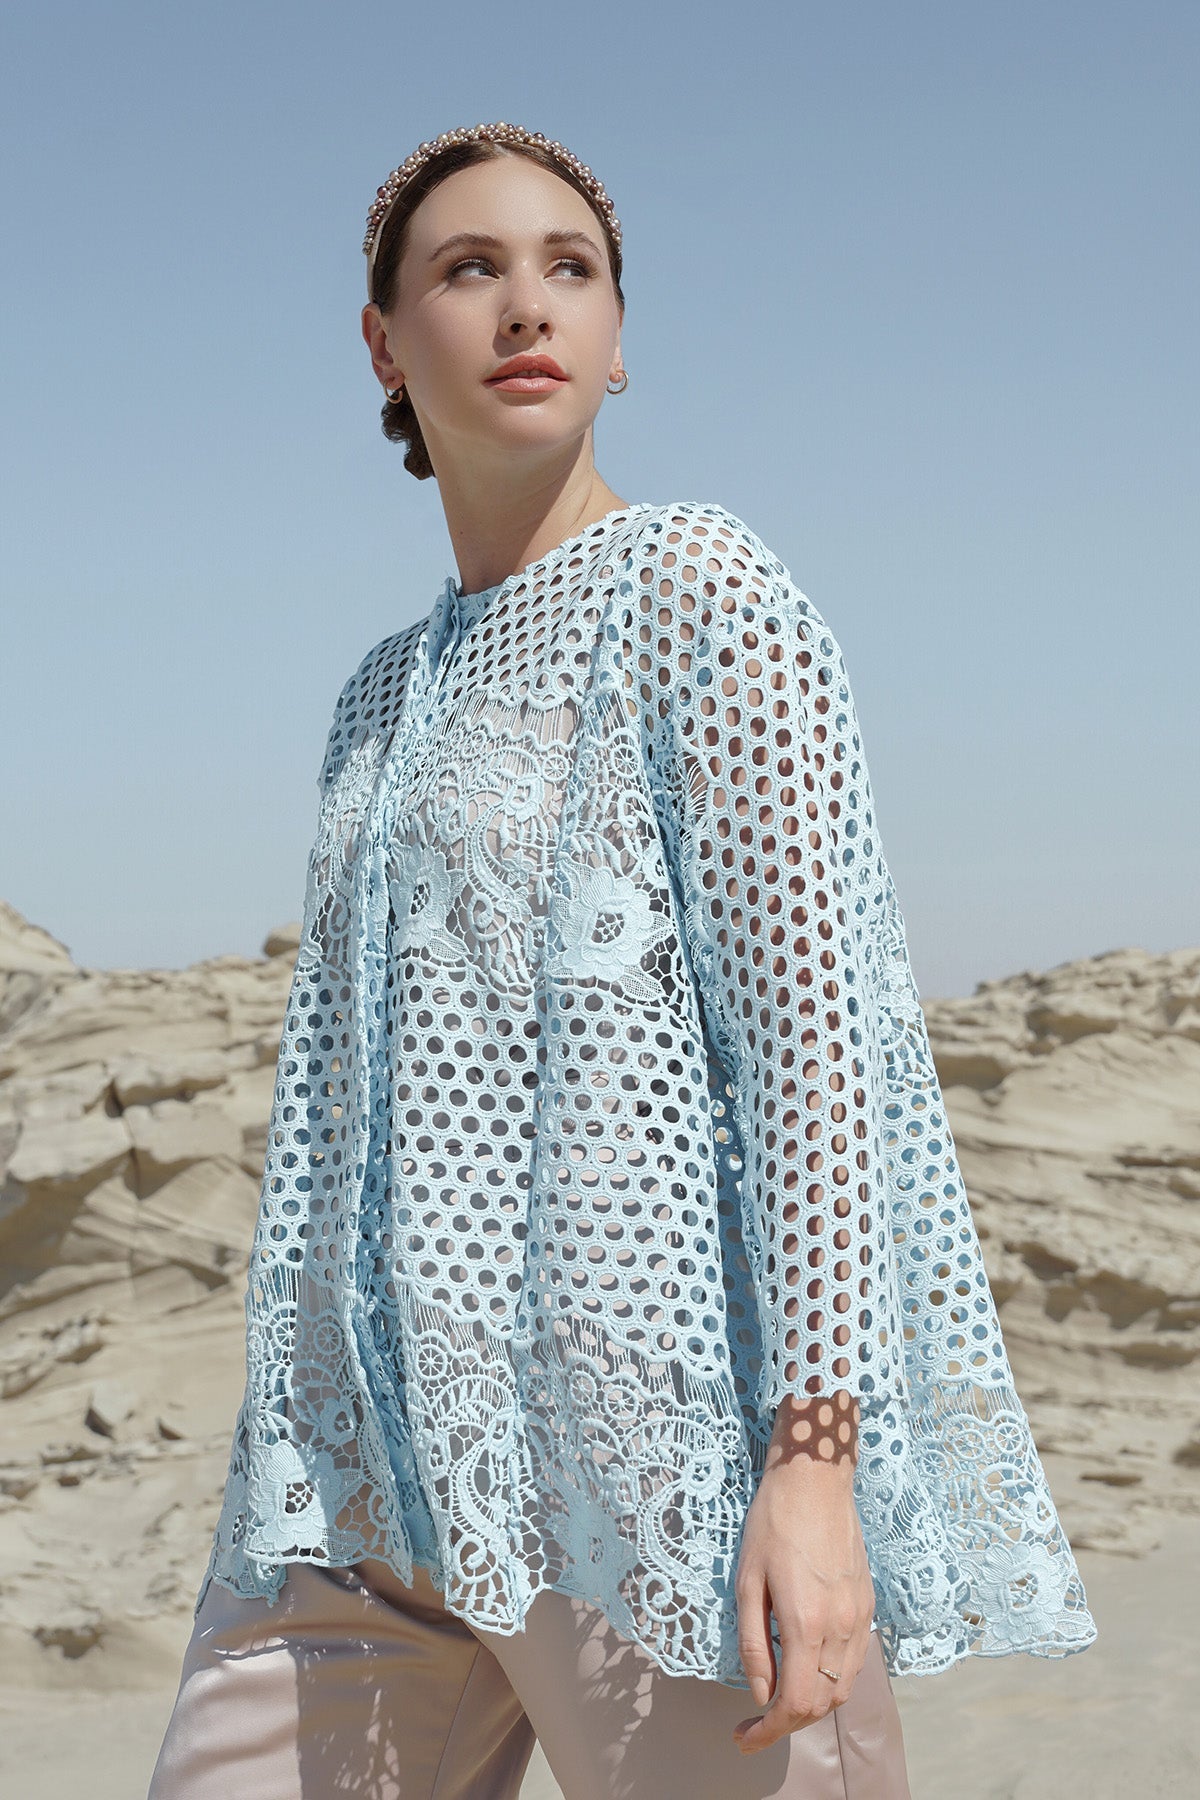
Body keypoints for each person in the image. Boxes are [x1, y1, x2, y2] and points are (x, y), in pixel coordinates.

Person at [147, 122, 1097, 1800]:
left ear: (618, 337)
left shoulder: (697, 587)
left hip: (651, 1488)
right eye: (471, 269)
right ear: (382, 344)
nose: (529, 306)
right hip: (358, 1492)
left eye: (570, 269)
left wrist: (812, 1470)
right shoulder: (372, 696)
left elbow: (814, 1056)